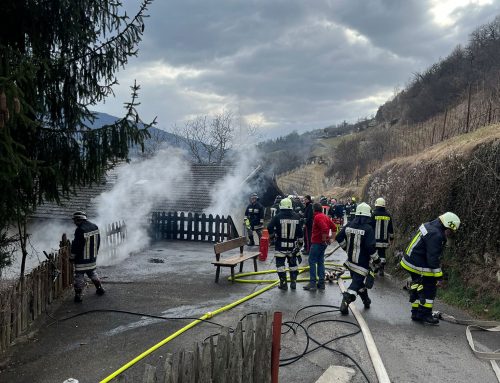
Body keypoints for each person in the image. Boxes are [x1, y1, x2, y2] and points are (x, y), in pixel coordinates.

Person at [400, 212, 460, 324]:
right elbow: (432, 260)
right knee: (429, 287)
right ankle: (425, 315)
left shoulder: (429, 225)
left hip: (409, 260)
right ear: (447, 226)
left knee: (418, 286)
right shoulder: (436, 235)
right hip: (417, 264)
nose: (450, 234)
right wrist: (439, 277)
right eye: (451, 231)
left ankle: (416, 313)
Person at [336, 202, 379, 315]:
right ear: (367, 215)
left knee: (358, 283)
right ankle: (346, 300)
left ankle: (366, 300)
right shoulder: (368, 229)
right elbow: (371, 247)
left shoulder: (349, 224)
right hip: (362, 264)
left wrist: (345, 248)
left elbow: (338, 237)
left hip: (351, 262)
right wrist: (377, 260)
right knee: (355, 285)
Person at [267, 198, 304, 290]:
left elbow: (269, 227)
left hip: (280, 246)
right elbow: (300, 233)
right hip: (293, 246)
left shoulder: (277, 217)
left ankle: (283, 284)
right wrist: (299, 245)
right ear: (291, 206)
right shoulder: (297, 216)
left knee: (280, 265)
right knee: (293, 265)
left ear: (281, 206)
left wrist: (272, 237)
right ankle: (293, 283)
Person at [70, 211, 105, 303]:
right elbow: (98, 241)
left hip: (81, 259)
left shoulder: (80, 230)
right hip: (92, 257)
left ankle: (78, 296)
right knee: (92, 273)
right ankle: (100, 288)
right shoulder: (94, 226)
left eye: (75, 220)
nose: (74, 222)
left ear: (79, 220)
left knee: (79, 277)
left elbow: (76, 245)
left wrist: (72, 257)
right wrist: (95, 254)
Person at [303, 202, 337, 291]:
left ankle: (312, 283)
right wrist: (331, 239)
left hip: (317, 243)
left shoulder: (317, 217)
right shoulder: (325, 217)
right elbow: (334, 227)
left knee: (312, 261)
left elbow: (325, 229)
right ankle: (321, 283)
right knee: (320, 262)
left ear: (314, 209)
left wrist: (324, 239)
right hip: (322, 244)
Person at [372, 197, 394, 276]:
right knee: (382, 253)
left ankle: (376, 265)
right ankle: (382, 268)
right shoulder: (388, 215)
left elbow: (370, 227)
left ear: (377, 205)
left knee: (374, 253)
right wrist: (391, 239)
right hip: (384, 240)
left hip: (375, 239)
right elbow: (390, 228)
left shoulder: (373, 214)